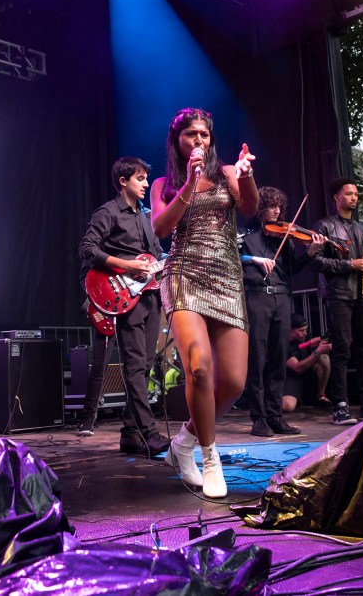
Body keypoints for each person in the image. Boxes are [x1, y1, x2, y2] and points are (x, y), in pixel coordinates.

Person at [150, 107, 258, 498]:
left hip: (227, 278)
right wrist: (189, 184)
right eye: (191, 134)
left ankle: (182, 444)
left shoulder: (227, 173)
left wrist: (246, 177)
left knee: (232, 382)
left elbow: (250, 207)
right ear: (176, 140)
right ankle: (210, 458)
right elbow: (161, 229)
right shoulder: (164, 182)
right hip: (183, 275)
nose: (198, 140)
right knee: (198, 367)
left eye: (204, 135)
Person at [78, 157, 170, 457]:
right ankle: (149, 431)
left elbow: (155, 257)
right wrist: (125, 266)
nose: (146, 184)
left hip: (150, 295)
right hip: (124, 296)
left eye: (146, 179)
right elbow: (87, 249)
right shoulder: (108, 213)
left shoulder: (146, 217)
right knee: (133, 366)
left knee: (143, 366)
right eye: (141, 179)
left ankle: (130, 433)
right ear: (123, 181)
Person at [240, 186, 325, 437]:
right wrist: (254, 262)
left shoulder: (285, 238)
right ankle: (258, 418)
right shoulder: (247, 238)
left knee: (278, 358)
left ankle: (275, 416)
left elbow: (291, 271)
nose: (276, 211)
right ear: (259, 209)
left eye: (279, 206)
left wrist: (310, 253)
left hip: (282, 299)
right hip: (257, 298)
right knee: (257, 358)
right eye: (270, 206)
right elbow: (237, 264)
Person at [309, 178, 363, 425]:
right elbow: (316, 262)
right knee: (342, 349)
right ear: (336, 198)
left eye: (355, 194)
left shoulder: (360, 230)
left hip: (360, 295)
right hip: (337, 293)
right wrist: (351, 264)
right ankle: (340, 405)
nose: (354, 197)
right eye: (349, 193)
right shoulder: (325, 226)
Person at [283, 314, 332, 413]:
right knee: (288, 406)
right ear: (290, 330)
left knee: (324, 359)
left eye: (306, 329)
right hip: (290, 378)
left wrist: (318, 347)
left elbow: (316, 353)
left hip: (307, 375)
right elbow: (297, 367)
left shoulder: (305, 335)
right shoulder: (282, 344)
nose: (305, 333)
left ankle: (320, 395)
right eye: (301, 331)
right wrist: (317, 351)